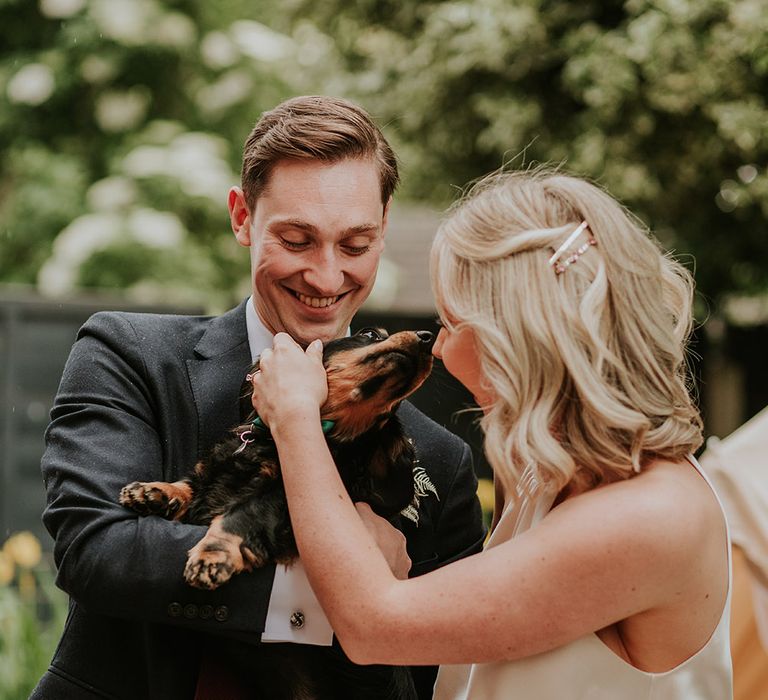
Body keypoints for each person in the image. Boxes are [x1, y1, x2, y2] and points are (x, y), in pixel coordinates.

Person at [32, 95, 485, 700]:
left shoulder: (442, 459)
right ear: (242, 217)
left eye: (355, 245)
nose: (326, 278)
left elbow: (437, 663)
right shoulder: (129, 354)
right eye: (297, 240)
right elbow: (97, 549)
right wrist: (346, 586)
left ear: (384, 226)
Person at [249, 168, 733, 699]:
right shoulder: (540, 472)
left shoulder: (649, 516)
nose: (438, 350)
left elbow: (375, 626)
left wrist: (295, 419)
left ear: (519, 338)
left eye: (452, 325)